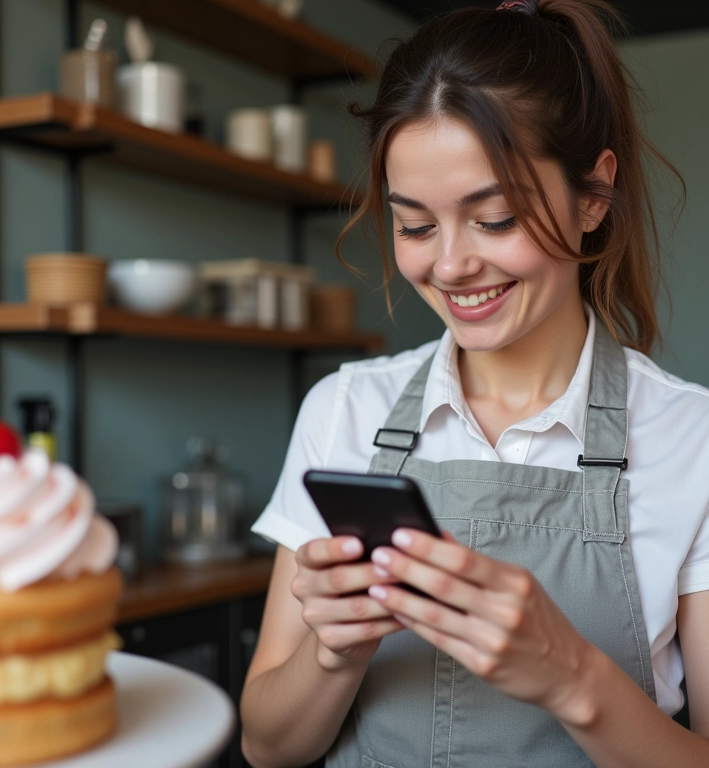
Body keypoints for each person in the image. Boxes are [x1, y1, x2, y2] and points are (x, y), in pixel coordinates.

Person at [240, 1, 709, 765]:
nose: (451, 266)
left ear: (594, 195)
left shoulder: (693, 439)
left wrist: (571, 675)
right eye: (415, 226)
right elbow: (266, 747)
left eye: (494, 219)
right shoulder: (344, 410)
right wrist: (331, 655)